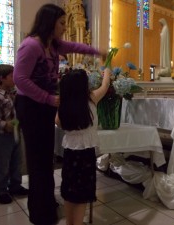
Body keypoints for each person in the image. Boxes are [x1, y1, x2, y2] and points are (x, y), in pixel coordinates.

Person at [13, 4, 104, 225]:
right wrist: (48, 98)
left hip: (44, 106)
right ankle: (40, 213)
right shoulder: (31, 46)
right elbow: (19, 79)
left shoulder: (52, 45)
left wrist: (96, 51)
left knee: (45, 160)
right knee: (38, 162)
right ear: (49, 22)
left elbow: (74, 46)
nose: (65, 27)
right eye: (62, 23)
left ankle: (46, 205)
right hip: (31, 107)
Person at [55, 68, 111, 225]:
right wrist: (106, 71)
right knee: (81, 195)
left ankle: (69, 222)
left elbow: (58, 123)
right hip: (86, 154)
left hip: (69, 154)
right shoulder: (91, 99)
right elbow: (105, 86)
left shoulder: (63, 106)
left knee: (69, 191)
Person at [0, 64, 28, 204]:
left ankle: (15, 185)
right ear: (2, 78)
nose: (14, 78)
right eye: (11, 75)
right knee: (3, 164)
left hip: (15, 132)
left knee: (16, 160)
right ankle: (0, 190)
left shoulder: (14, 92)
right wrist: (3, 124)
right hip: (3, 135)